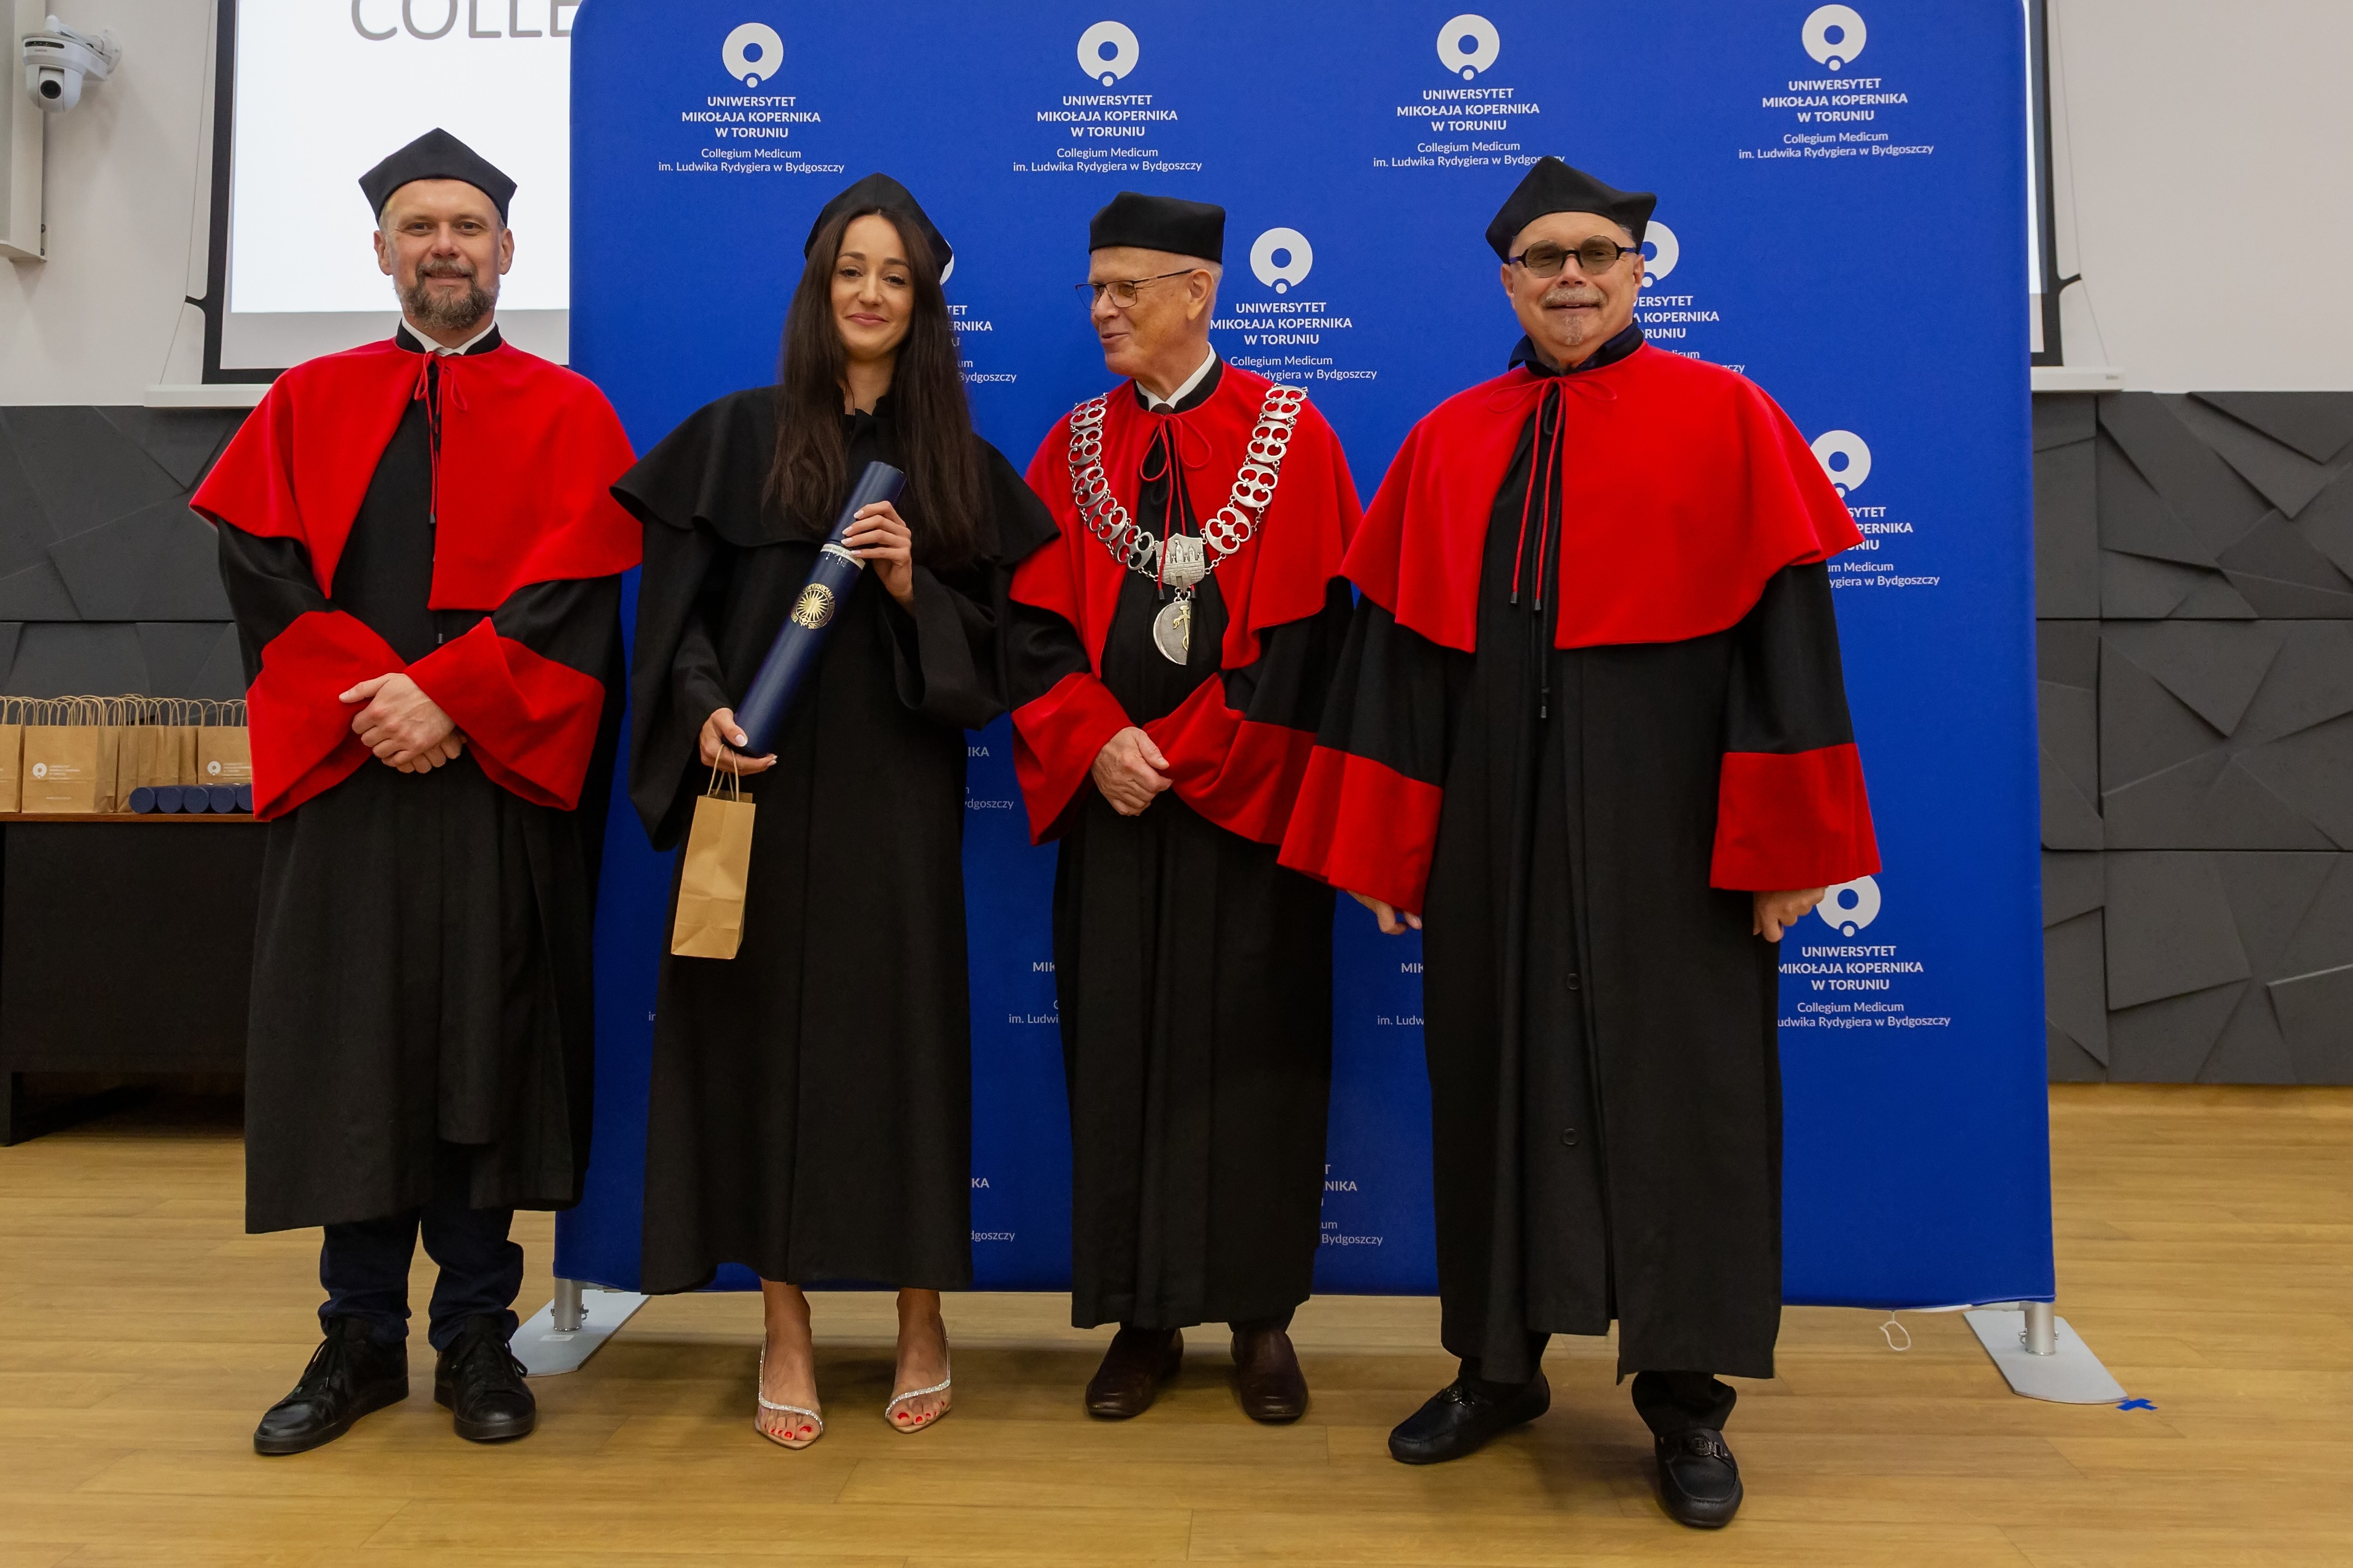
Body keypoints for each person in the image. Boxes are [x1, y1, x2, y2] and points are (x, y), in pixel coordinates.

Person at [1280, 158, 1879, 1528]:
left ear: (1638, 271)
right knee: (1494, 1084)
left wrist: (1789, 847)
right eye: (1544, 256)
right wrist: (1386, 846)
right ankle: (1498, 1370)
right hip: (1497, 828)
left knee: (1685, 1099)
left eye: (1596, 253)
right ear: (1507, 281)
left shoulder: (1729, 417)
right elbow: (1399, 668)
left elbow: (1789, 654)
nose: (1571, 275)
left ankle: (1685, 1399)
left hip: (1679, 834)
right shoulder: (1450, 439)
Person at [192, 128, 639, 1455]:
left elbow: (573, 604)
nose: (446, 246)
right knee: (357, 1045)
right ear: (382, 249)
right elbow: (264, 578)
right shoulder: (305, 401)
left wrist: (451, 696)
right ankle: (358, 1336)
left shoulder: (569, 413)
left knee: (490, 1046)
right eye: (419, 226)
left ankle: (478, 1331)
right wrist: (379, 703)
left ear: (508, 249)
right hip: (352, 781)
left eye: (467, 226)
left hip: (497, 781)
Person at [614, 174, 1055, 1449]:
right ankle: (786, 1320)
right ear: (818, 288)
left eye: (895, 277)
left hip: (893, 803)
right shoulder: (734, 438)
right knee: (754, 1047)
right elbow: (679, 627)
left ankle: (922, 1313)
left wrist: (918, 588)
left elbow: (1000, 664)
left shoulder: (956, 469)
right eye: (851, 271)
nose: (870, 293)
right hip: (749, 795)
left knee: (906, 1046)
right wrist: (703, 707)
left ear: (922, 305)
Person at [1005, 192, 1362, 1424]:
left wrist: (1186, 751)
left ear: (1199, 292)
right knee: (1117, 1054)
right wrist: (1096, 740)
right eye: (1095, 289)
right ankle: (1141, 1315)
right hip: (1112, 810)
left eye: (1127, 288)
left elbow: (1309, 648)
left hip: (1247, 819)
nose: (1103, 310)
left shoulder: (1292, 436)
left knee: (1259, 1058)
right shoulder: (1070, 448)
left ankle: (1260, 1319)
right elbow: (1030, 633)